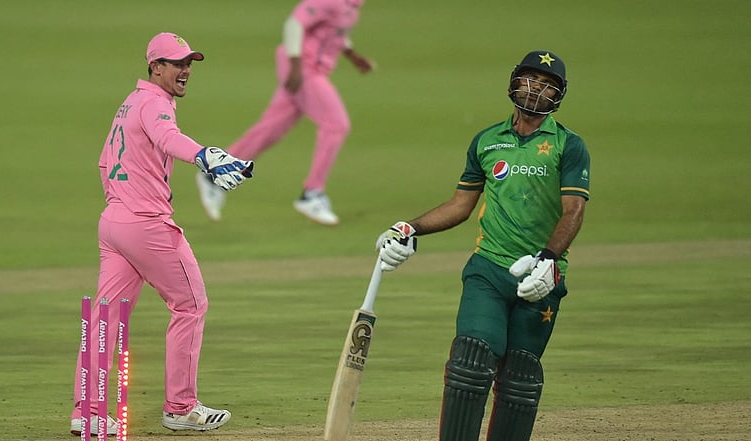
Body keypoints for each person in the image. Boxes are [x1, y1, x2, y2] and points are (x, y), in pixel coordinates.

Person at [375, 50, 591, 441]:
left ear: (558, 96)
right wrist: (410, 227)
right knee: (470, 361)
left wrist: (548, 259)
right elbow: (460, 204)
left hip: (541, 275)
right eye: (529, 79)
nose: (535, 88)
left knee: (520, 378)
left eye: (547, 85)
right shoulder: (488, 141)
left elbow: (573, 211)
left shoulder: (569, 146)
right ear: (514, 82)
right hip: (488, 270)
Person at [69, 32, 254, 436]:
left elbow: (104, 163)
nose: (186, 70)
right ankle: (181, 408)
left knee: (106, 319)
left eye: (189, 63)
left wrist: (122, 203)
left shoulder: (129, 103)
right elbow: (168, 140)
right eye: (177, 63)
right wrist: (206, 156)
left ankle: (89, 412)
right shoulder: (154, 104)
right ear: (155, 67)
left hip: (114, 223)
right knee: (191, 305)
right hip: (148, 224)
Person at [195, 0, 374, 226]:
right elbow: (295, 23)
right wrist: (296, 65)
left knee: (271, 129)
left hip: (311, 68)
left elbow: (334, 33)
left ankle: (214, 174)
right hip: (304, 68)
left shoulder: (351, 6)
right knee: (336, 125)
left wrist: (352, 55)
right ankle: (312, 193)